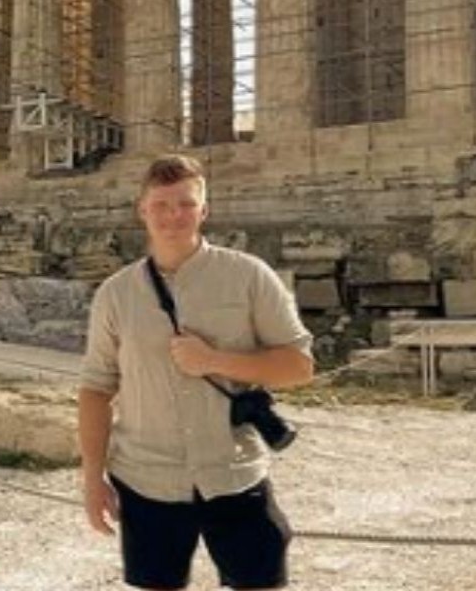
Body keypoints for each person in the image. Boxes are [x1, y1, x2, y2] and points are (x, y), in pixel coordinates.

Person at [79, 154, 314, 591]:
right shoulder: (115, 294)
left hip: (234, 473)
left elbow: (299, 367)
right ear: (142, 210)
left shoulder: (248, 277)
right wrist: (92, 478)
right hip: (147, 478)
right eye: (162, 204)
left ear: (204, 210)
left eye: (186, 204)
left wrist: (215, 361)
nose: (174, 216)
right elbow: (96, 387)